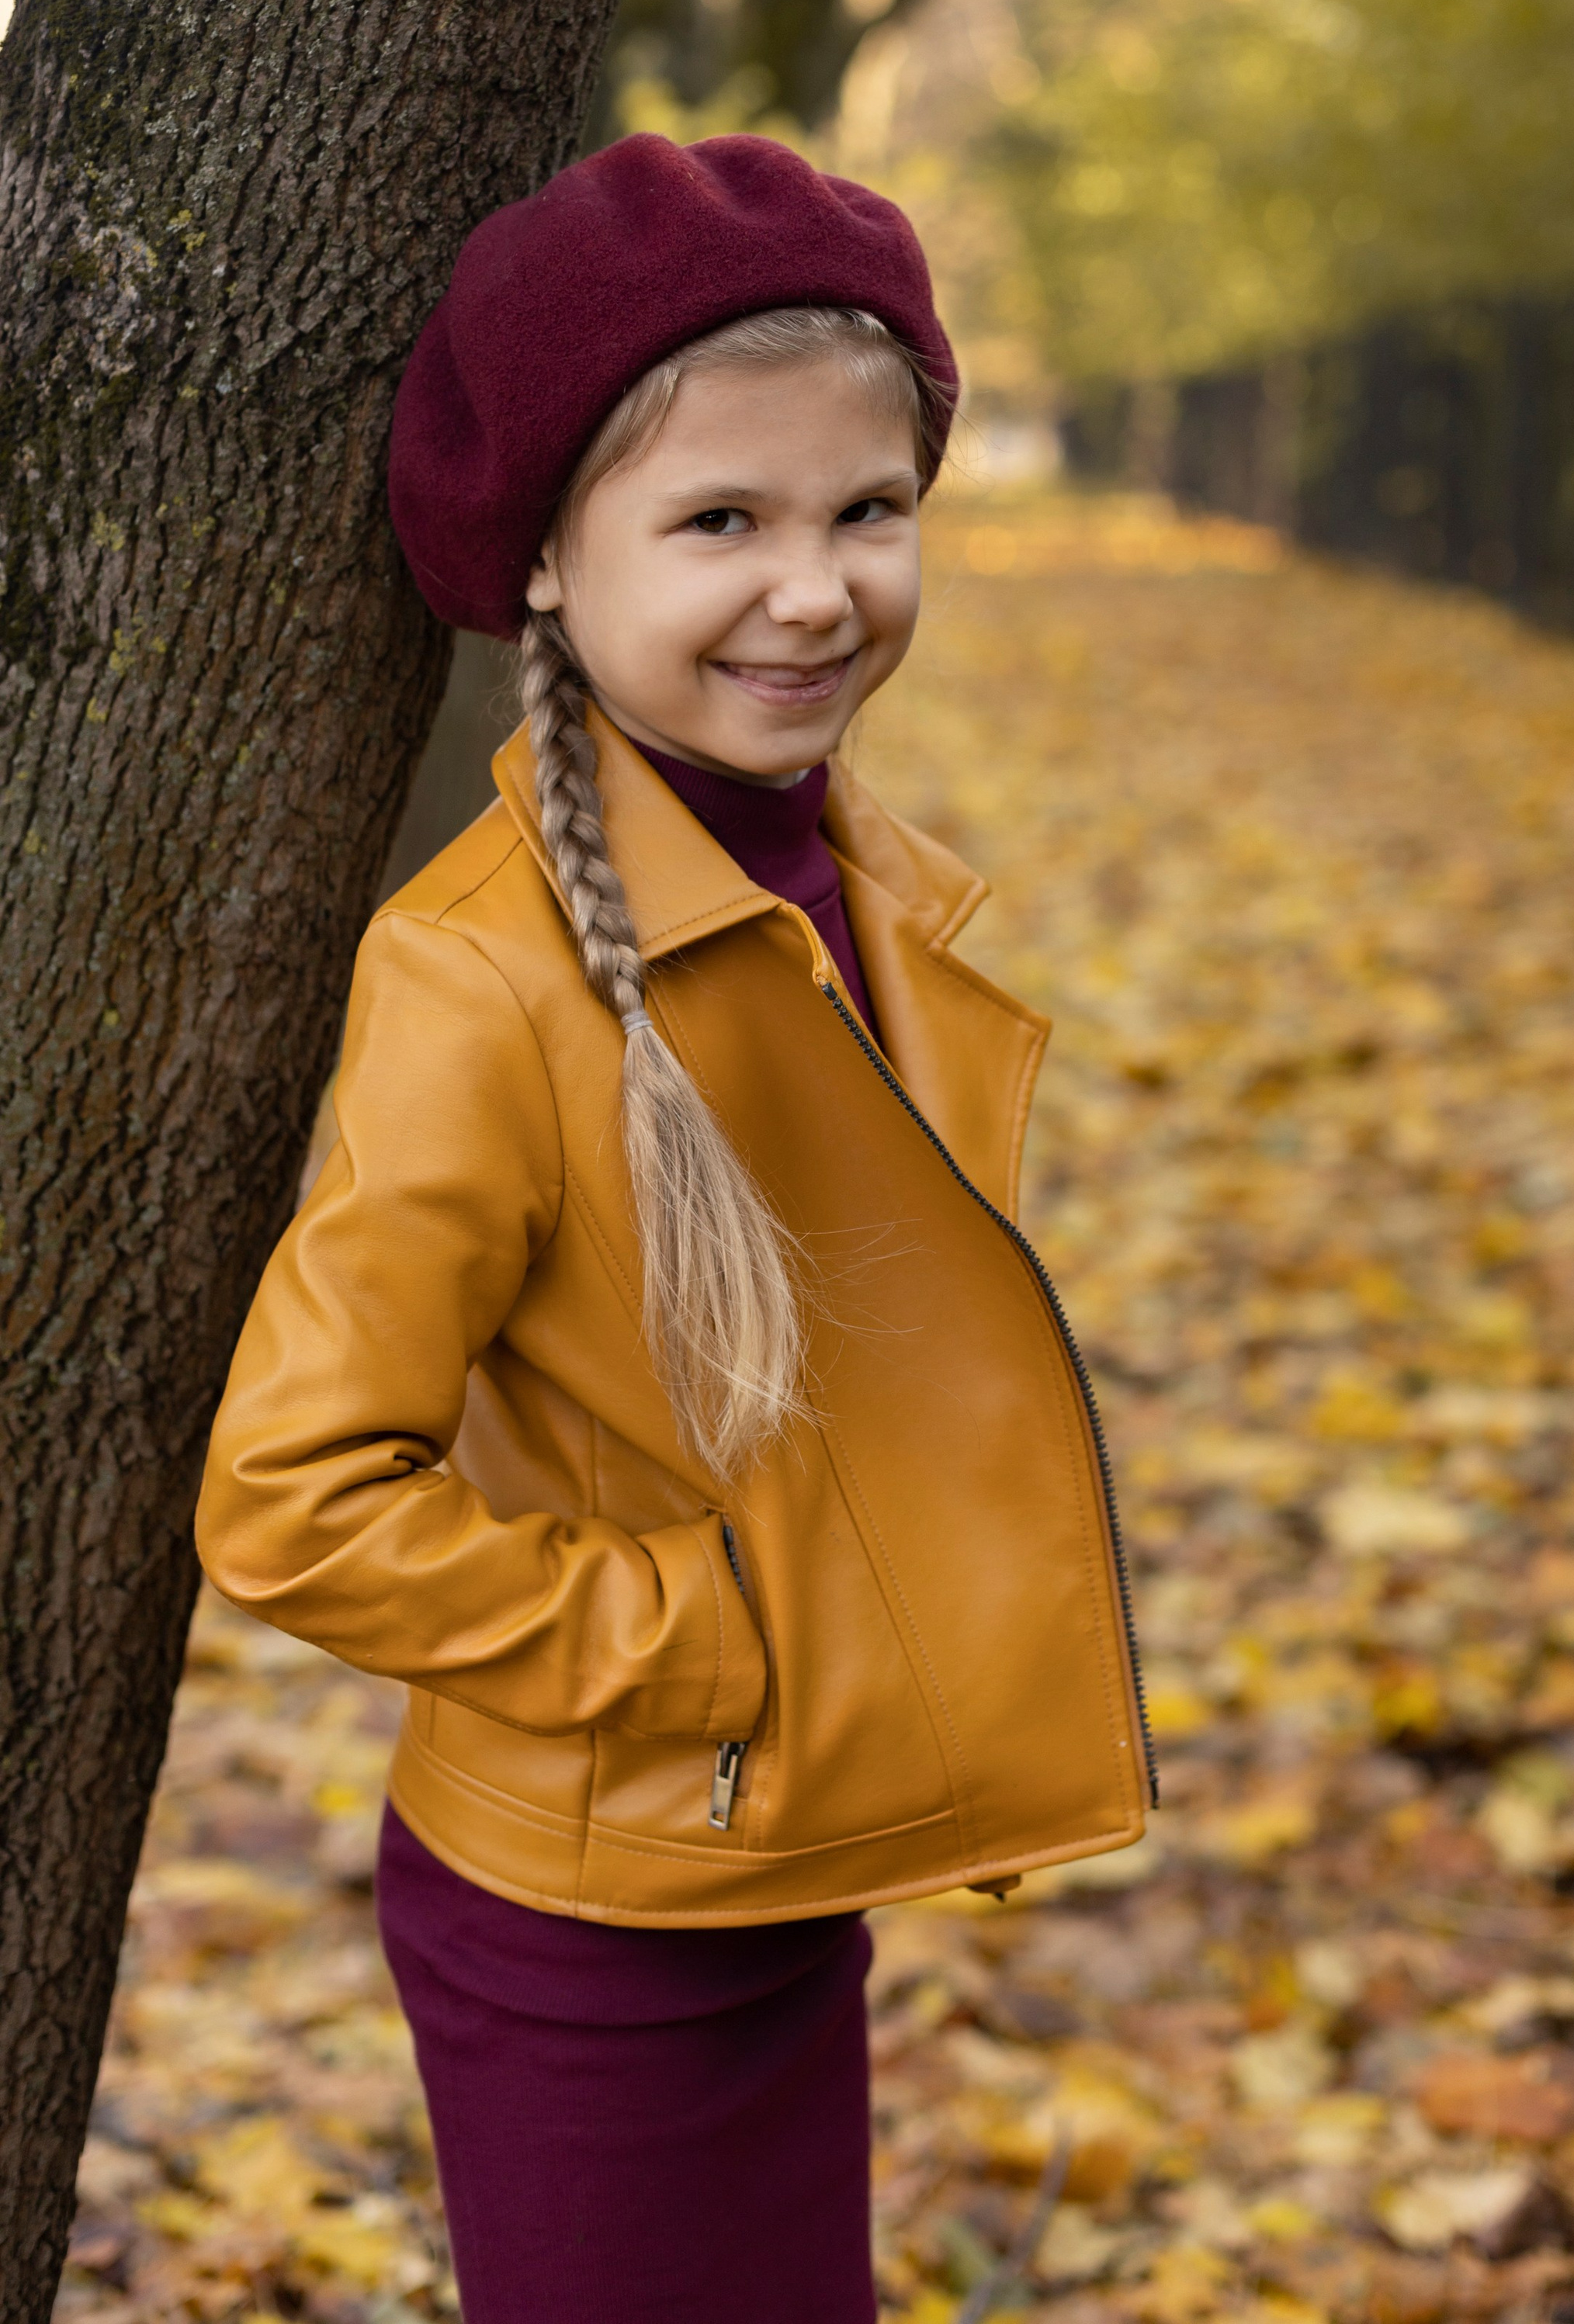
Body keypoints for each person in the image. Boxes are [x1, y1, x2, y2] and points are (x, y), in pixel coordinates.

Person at [196, 132, 1155, 2324]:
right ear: (544, 558)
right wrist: (700, 1651)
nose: (814, 590)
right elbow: (291, 1498)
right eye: (720, 521)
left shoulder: (854, 880)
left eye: (869, 511)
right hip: (594, 1921)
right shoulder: (487, 979)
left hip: (772, 1869)